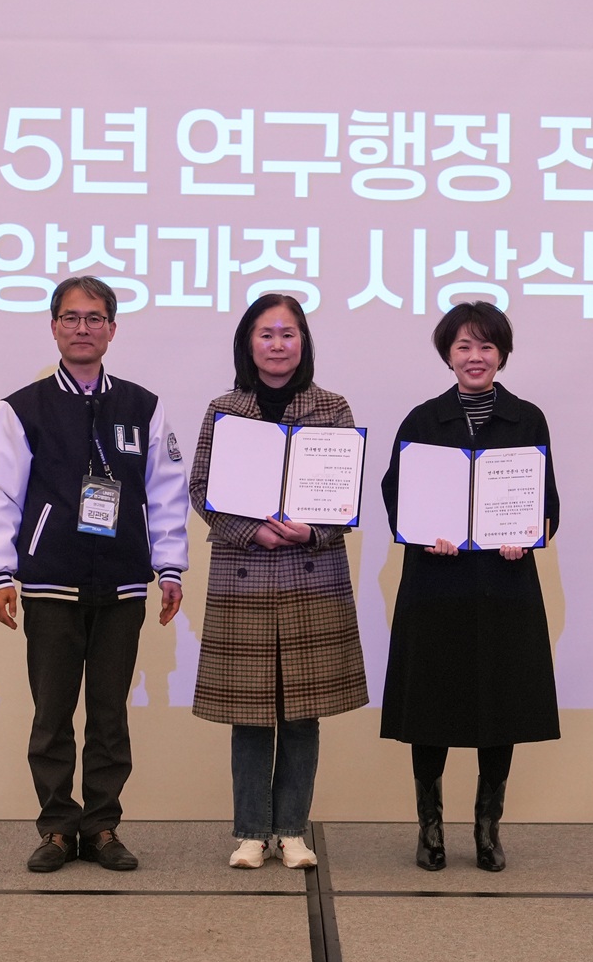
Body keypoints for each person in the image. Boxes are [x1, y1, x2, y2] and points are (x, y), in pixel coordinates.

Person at [0, 276, 189, 873]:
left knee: (109, 713)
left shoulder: (142, 406)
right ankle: (56, 829)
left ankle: (101, 826)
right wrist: (1, 573)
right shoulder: (23, 408)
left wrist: (170, 566)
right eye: (71, 318)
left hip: (122, 582)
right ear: (53, 327)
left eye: (95, 318)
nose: (83, 328)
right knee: (51, 715)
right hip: (49, 583)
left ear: (112, 330)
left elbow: (166, 491)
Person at [188, 293, 368, 869]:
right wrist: (249, 532)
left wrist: (310, 531)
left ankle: (291, 829)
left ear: (303, 343)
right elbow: (199, 488)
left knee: (301, 711)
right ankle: (249, 832)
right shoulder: (224, 408)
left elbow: (344, 495)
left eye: (288, 334)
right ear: (248, 343)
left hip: (309, 571)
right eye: (266, 334)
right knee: (249, 711)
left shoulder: (331, 406)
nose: (277, 345)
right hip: (246, 574)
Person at [379, 302, 560, 872]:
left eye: (485, 347)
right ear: (447, 356)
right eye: (463, 347)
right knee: (431, 708)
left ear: (501, 354)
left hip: (503, 587)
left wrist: (525, 535)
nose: (474, 357)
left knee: (498, 710)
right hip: (438, 585)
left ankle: (487, 830)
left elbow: (546, 503)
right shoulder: (422, 420)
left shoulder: (527, 419)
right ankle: (429, 829)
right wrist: (425, 532)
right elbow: (396, 495)